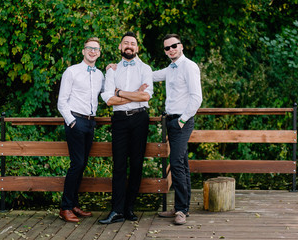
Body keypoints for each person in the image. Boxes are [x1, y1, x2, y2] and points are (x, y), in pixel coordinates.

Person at [98, 31, 153, 224]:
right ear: (120, 47)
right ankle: (117, 210)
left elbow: (146, 97)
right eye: (125, 43)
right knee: (119, 165)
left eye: (132, 43)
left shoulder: (146, 69)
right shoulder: (112, 70)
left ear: (137, 48)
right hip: (119, 120)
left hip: (140, 119)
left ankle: (129, 209)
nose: (129, 46)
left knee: (137, 164)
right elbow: (108, 99)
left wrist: (120, 92)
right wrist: (133, 94)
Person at [153, 34, 202, 225]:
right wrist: (119, 69)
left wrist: (182, 121)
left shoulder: (189, 66)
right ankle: (183, 207)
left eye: (174, 46)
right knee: (181, 162)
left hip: (182, 120)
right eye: (167, 48)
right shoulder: (170, 69)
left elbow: (197, 98)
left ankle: (181, 209)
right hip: (171, 120)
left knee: (175, 162)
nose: (171, 49)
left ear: (181, 46)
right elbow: (150, 75)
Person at [57, 37, 104, 223]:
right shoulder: (71, 71)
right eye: (90, 48)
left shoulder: (100, 74)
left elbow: (108, 93)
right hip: (76, 121)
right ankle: (65, 207)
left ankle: (74, 204)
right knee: (76, 164)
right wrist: (72, 122)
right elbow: (62, 101)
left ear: (99, 53)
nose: (93, 51)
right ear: (83, 51)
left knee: (82, 164)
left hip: (91, 123)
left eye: (96, 49)